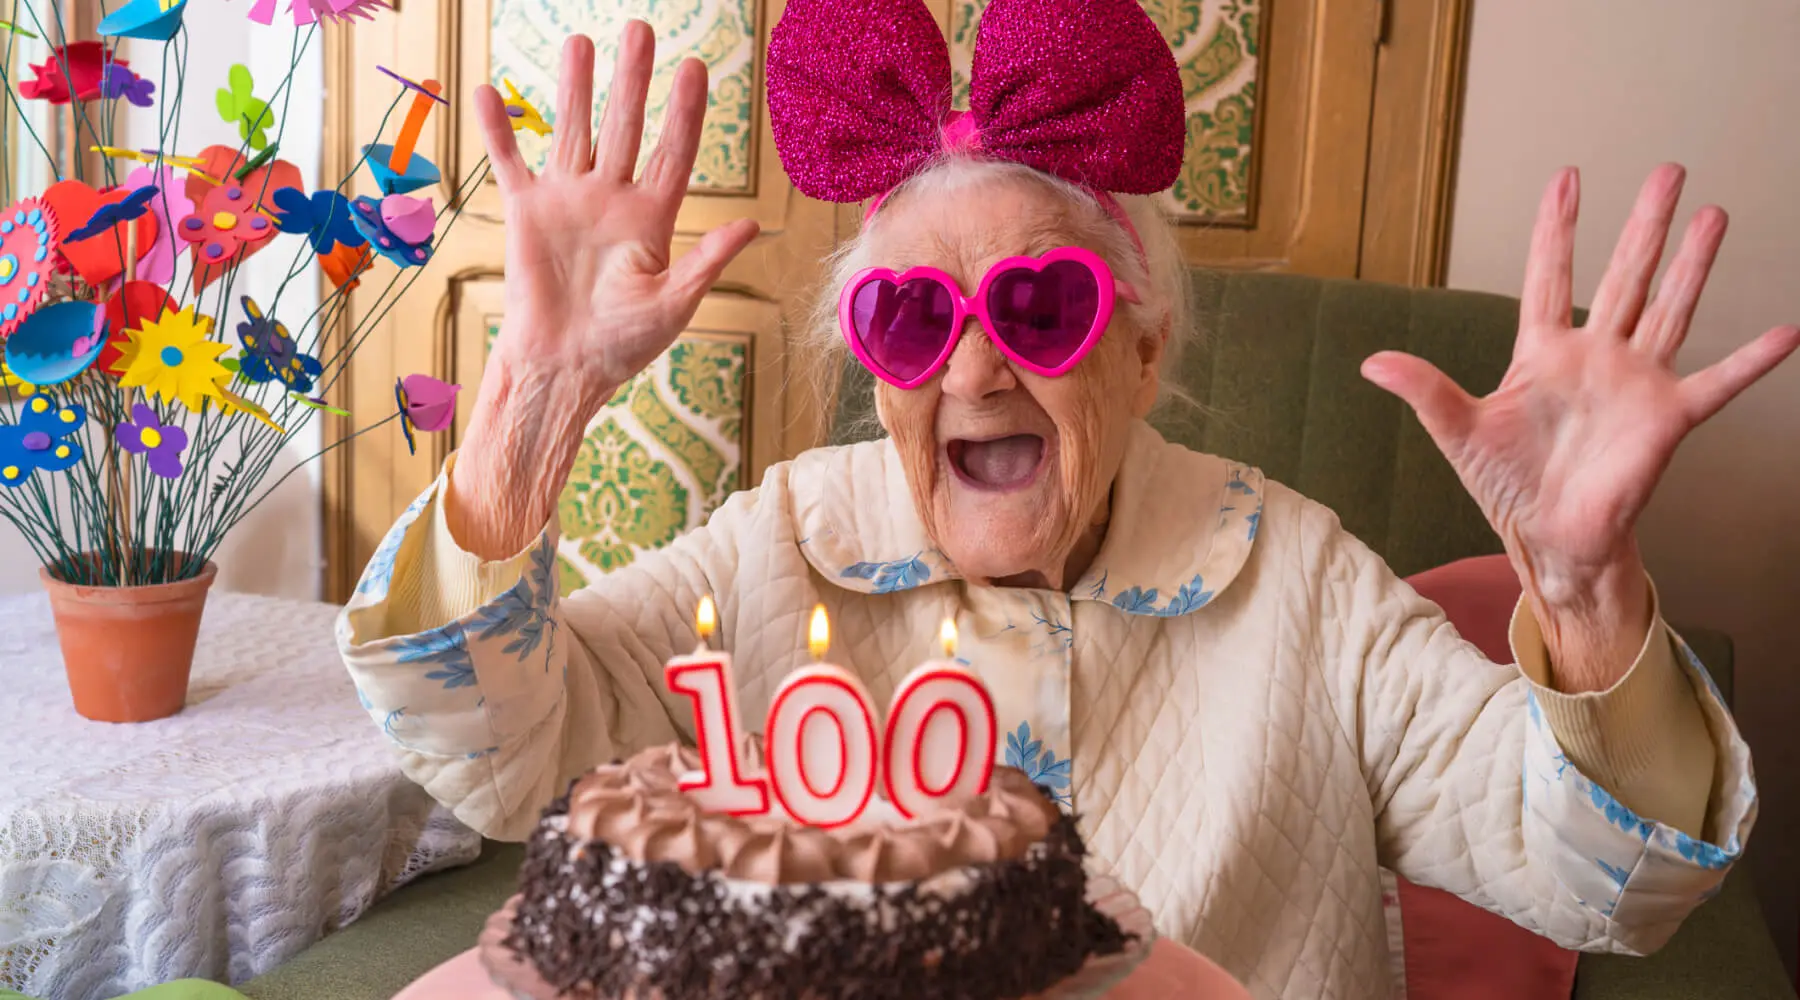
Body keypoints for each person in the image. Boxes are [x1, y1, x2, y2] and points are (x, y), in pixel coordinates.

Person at [337, 0, 1791, 994]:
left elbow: (1610, 880)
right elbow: (504, 760)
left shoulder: (1298, 579)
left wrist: (1588, 593)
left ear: (1146, 340)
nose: (971, 366)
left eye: (1039, 302)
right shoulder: (783, 537)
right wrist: (524, 419)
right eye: (914, 318)